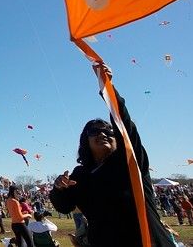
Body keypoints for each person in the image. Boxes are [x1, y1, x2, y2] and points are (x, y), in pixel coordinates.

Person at [49, 65, 174, 247]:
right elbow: (64, 206)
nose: (103, 134)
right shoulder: (80, 176)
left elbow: (124, 126)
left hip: (146, 240)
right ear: (85, 141)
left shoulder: (129, 162)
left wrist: (108, 88)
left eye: (108, 131)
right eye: (95, 131)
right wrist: (59, 189)